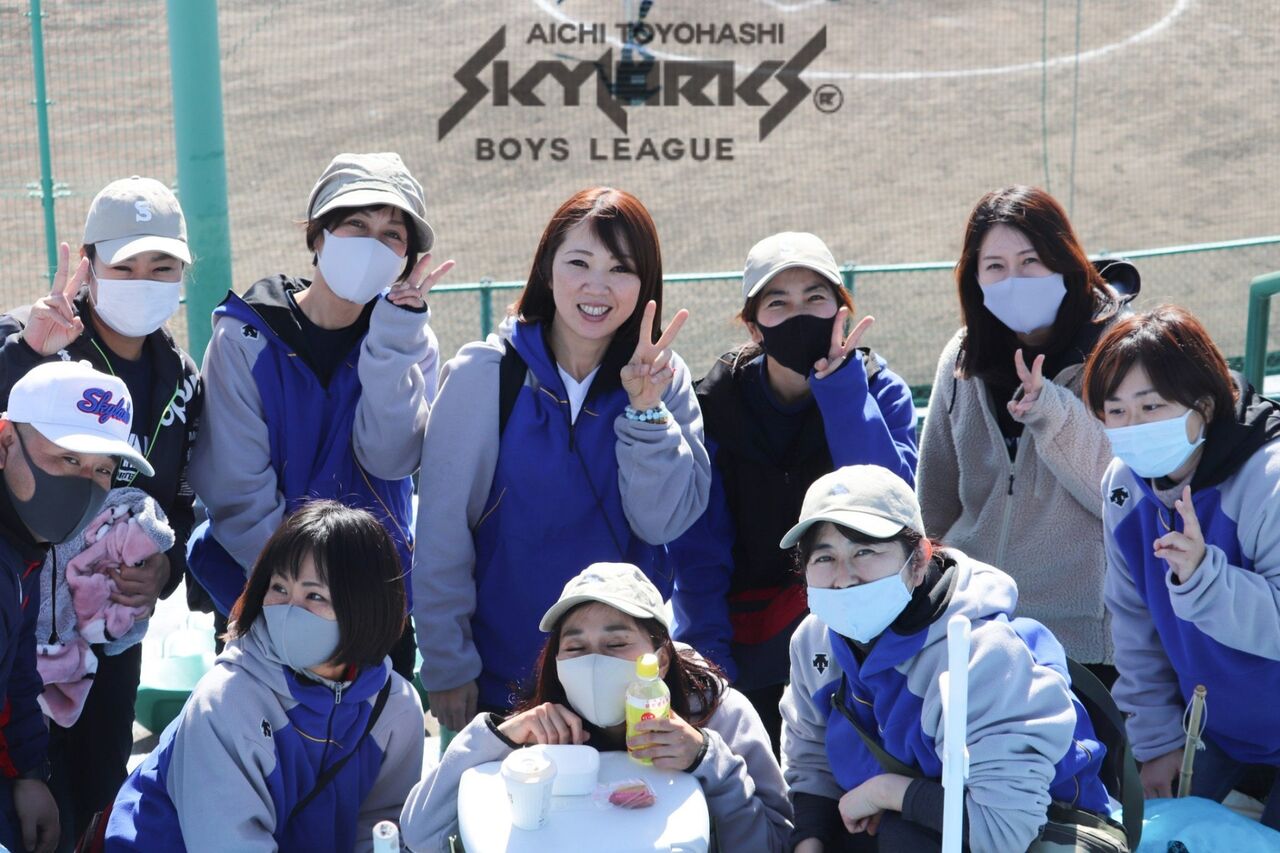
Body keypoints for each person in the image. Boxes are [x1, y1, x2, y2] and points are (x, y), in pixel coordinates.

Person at [414, 186, 710, 728]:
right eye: (579, 262)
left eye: (621, 268)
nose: (597, 286)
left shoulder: (665, 381)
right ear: (546, 270)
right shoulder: (485, 375)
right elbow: (441, 534)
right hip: (501, 688)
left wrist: (646, 411)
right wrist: (447, 663)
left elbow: (661, 522)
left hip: (628, 689)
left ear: (646, 284)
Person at [187, 152, 451, 677]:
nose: (372, 245)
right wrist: (300, 597)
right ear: (318, 235)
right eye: (357, 225)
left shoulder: (409, 340)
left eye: (392, 235)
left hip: (373, 602)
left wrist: (392, 341)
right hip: (265, 595)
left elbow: (391, 457)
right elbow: (237, 488)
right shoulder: (244, 337)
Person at [0, 175, 203, 850]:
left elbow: (183, 501)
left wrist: (166, 568)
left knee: (100, 796)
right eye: (126, 265)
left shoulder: (183, 379)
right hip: (23, 625)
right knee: (32, 801)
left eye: (163, 266)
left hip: (113, 637)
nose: (145, 281)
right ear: (88, 264)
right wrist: (25, 352)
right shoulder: (33, 338)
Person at [781, 465, 1122, 853]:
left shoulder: (984, 652)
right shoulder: (813, 642)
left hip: (1040, 830)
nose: (844, 578)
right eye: (824, 557)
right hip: (902, 823)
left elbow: (1003, 831)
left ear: (919, 560)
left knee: (903, 838)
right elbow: (811, 760)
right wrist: (809, 841)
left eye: (865, 551)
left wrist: (887, 792)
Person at [670, 231, 917, 753]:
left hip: (866, 633)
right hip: (748, 645)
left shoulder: (878, 389)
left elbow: (893, 510)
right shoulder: (715, 406)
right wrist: (711, 671)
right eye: (778, 303)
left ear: (841, 310)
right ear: (753, 326)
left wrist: (842, 392)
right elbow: (698, 556)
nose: (799, 315)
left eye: (815, 298)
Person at [401, 562, 793, 852]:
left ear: (661, 659)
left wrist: (709, 762)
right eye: (575, 647)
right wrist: (498, 737)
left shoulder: (723, 715)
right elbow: (419, 835)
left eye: (616, 643)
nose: (593, 662)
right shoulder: (538, 732)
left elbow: (775, 843)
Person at [105, 501, 425, 852]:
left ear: (364, 607)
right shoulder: (225, 702)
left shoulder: (395, 708)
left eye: (314, 595)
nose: (289, 610)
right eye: (279, 588)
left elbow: (381, 829)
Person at [915, 185, 1137, 684]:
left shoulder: (1122, 351)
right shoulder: (962, 359)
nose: (1013, 280)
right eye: (994, 266)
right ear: (974, 278)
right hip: (977, 627)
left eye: (1030, 260)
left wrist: (1050, 411)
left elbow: (1119, 493)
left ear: (1064, 260)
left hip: (1084, 641)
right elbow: (935, 497)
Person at [1083, 305, 1280, 827]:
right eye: (1116, 410)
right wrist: (1155, 740)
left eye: (1151, 406)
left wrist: (1204, 580)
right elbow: (1134, 625)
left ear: (1204, 407)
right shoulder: (1124, 487)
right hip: (1211, 730)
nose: (1133, 427)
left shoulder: (1269, 481)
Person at [0, 360, 153, 853]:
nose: (86, 483)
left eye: (102, 469)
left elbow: (15, 672)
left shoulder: (25, 542)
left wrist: (27, 774)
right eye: (68, 459)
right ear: (5, 441)